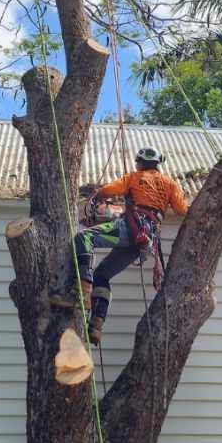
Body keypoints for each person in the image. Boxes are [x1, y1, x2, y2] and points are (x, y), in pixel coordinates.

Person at [50, 147, 189, 346]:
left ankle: (81, 291)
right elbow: (182, 209)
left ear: (140, 162)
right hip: (144, 241)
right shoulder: (170, 183)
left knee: (84, 238)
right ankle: (96, 324)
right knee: (102, 276)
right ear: (158, 164)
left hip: (130, 228)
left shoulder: (134, 177)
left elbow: (108, 191)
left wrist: (97, 194)